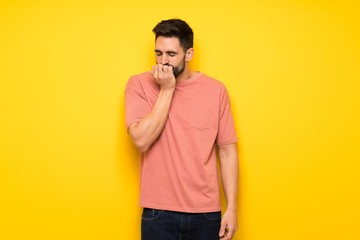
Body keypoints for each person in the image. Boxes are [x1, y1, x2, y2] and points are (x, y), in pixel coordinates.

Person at [125, 18, 239, 240]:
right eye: (158, 53)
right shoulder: (138, 85)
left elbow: (227, 151)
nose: (163, 61)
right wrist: (167, 90)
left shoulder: (216, 91)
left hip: (206, 214)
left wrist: (232, 207)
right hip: (158, 213)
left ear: (188, 55)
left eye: (171, 54)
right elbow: (140, 140)